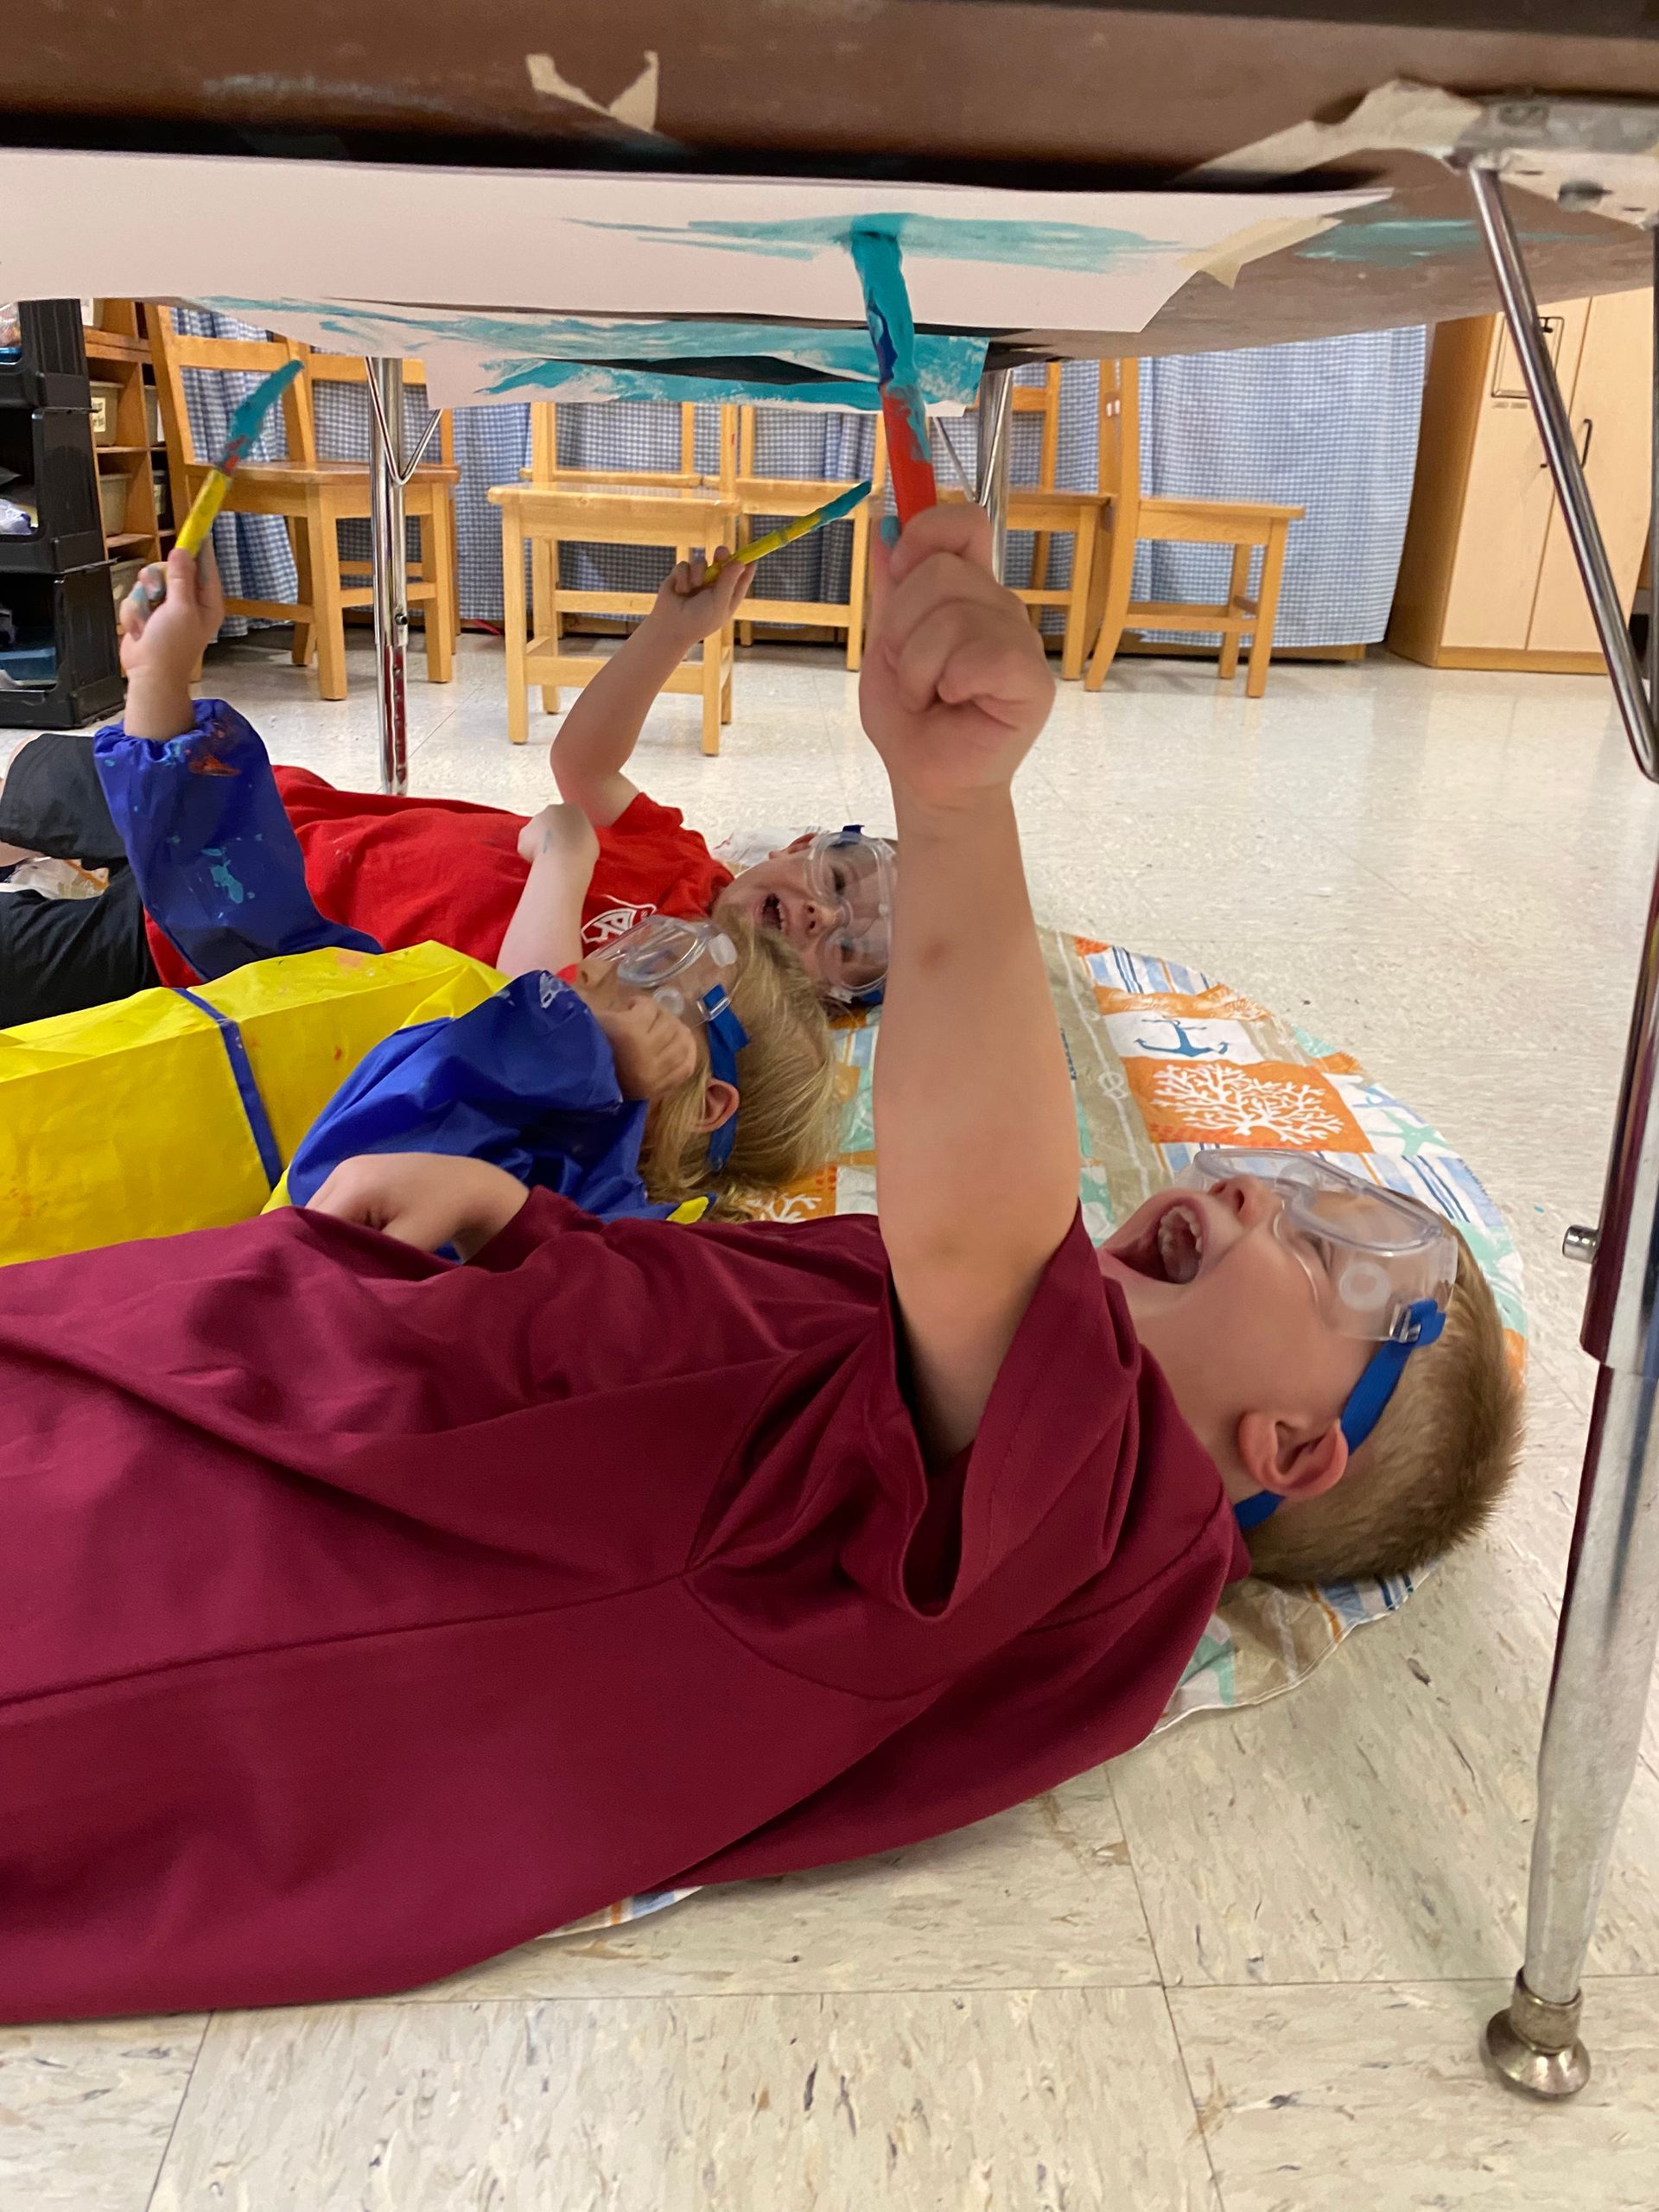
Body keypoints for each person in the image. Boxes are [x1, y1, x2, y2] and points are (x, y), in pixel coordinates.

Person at [0, 504, 1520, 2025]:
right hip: (353, 1359)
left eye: (1335, 1249)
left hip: (272, 1573)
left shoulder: (1114, 1532)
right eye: (1295, 1182)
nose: (1256, 1189)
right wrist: (515, 1222)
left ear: (1294, 1447)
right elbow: (701, 1314)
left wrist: (960, 809)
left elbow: (979, 1217)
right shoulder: (968, 1371)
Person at [0, 543, 894, 1025]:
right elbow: (583, 765)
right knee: (36, 778)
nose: (824, 916)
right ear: (802, 843)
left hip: (219, 950)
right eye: (839, 879)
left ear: (833, 1000)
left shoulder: (693, 1011)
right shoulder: (681, 855)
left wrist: (568, 862)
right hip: (270, 821)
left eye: (852, 950)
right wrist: (669, 634)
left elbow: (531, 1021)